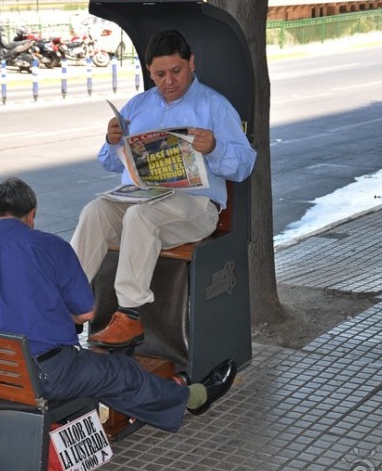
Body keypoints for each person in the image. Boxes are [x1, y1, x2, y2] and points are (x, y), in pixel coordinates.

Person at [0, 177, 237, 431]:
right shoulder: (50, 247)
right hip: (41, 376)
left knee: (91, 368)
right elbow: (86, 313)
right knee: (118, 371)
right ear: (32, 215)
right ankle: (193, 398)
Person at [71, 29, 257, 348]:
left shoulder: (215, 106)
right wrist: (112, 141)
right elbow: (112, 164)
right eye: (160, 74)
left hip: (195, 208)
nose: (169, 81)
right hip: (143, 198)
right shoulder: (138, 106)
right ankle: (70, 305)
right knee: (95, 211)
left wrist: (213, 148)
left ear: (191, 63)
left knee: (140, 218)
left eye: (176, 71)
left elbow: (244, 165)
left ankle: (129, 314)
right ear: (149, 72)